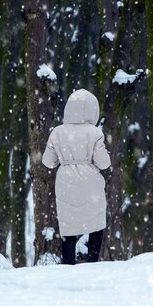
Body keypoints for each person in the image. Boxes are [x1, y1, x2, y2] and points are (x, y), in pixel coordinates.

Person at [42, 89, 111, 264]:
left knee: (68, 226)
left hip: (65, 182)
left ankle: (68, 264)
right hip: (90, 183)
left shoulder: (57, 132)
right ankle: (92, 262)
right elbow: (104, 163)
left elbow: (48, 162)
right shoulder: (95, 133)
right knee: (96, 224)